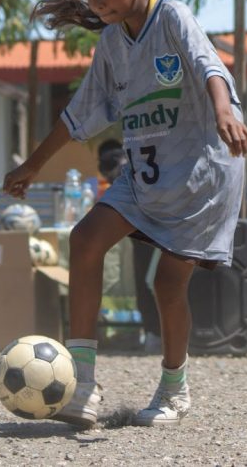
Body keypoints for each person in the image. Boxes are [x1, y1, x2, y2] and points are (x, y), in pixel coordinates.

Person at [3, 0, 247, 428]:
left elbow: (210, 66)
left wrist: (225, 111)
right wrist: (31, 165)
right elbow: (79, 115)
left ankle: (174, 389)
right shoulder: (114, 42)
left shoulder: (172, 16)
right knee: (85, 239)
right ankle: (82, 385)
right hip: (145, 173)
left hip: (203, 171)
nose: (96, 3)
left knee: (166, 284)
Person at [87, 138, 162, 353]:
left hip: (146, 225)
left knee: (149, 281)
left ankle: (154, 334)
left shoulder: (123, 165)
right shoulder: (140, 156)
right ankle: (156, 334)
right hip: (152, 223)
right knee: (155, 281)